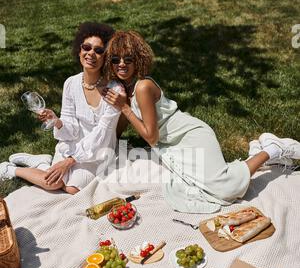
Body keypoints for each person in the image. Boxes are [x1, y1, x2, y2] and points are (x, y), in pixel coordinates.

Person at [103, 30, 300, 213]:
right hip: (171, 146)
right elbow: (120, 128)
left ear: (137, 60)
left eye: (128, 59)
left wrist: (125, 108)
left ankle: (273, 149)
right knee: (191, 189)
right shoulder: (123, 91)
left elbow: (151, 137)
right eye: (115, 59)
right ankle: (256, 154)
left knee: (226, 190)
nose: (121, 64)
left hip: (191, 136)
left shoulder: (142, 87)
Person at [0, 22, 126, 194]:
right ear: (79, 50)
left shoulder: (115, 90)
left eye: (98, 50)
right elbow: (71, 127)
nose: (91, 53)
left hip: (98, 150)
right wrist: (57, 122)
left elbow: (102, 134)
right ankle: (10, 169)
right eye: (86, 47)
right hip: (72, 143)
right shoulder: (71, 83)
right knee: (53, 183)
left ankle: (42, 164)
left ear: (106, 56)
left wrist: (69, 161)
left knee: (72, 188)